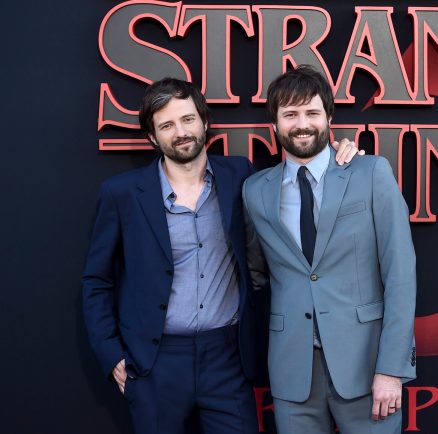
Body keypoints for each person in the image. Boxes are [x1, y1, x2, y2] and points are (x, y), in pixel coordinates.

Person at [81, 77, 359, 434]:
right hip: (154, 362)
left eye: (187, 119)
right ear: (152, 137)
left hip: (227, 357)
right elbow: (96, 281)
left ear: (204, 122)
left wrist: (341, 155)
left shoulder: (239, 175)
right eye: (166, 125)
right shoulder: (121, 194)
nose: (180, 132)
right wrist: (111, 355)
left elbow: (301, 168)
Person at [242, 65, 417, 434]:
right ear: (274, 124)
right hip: (293, 372)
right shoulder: (255, 190)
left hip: (367, 366)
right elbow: (257, 274)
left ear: (328, 117)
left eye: (311, 112)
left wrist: (391, 369)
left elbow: (400, 275)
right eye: (290, 114)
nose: (301, 123)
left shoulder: (371, 173)